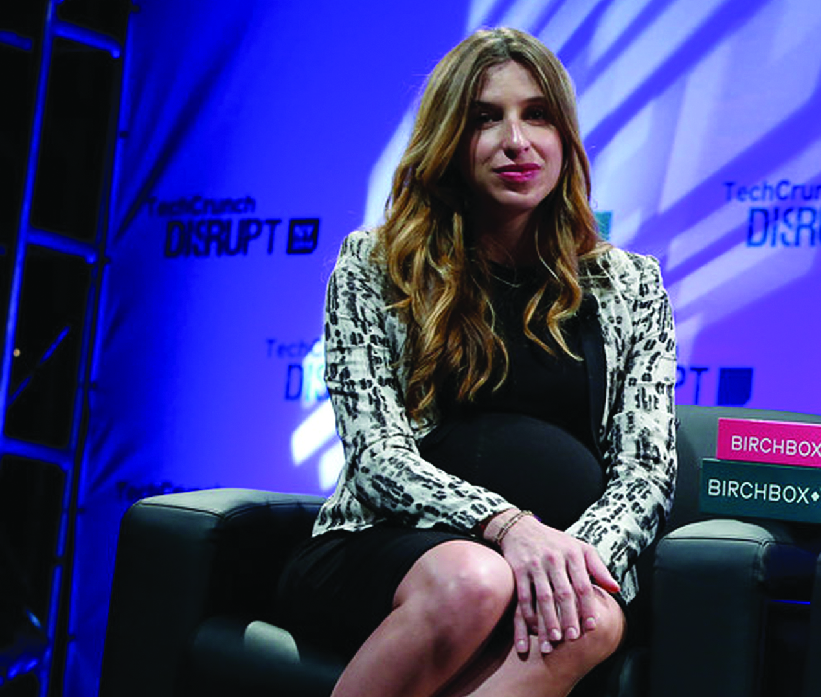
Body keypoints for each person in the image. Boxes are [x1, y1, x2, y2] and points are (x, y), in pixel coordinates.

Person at [275, 27, 677, 696]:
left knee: (592, 616)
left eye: (537, 115)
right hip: (392, 545)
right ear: (449, 143)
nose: (515, 140)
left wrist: (568, 563)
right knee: (473, 578)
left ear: (564, 138)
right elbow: (377, 455)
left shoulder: (630, 285)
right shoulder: (374, 266)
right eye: (485, 119)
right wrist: (506, 527)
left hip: (550, 560)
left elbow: (645, 472)